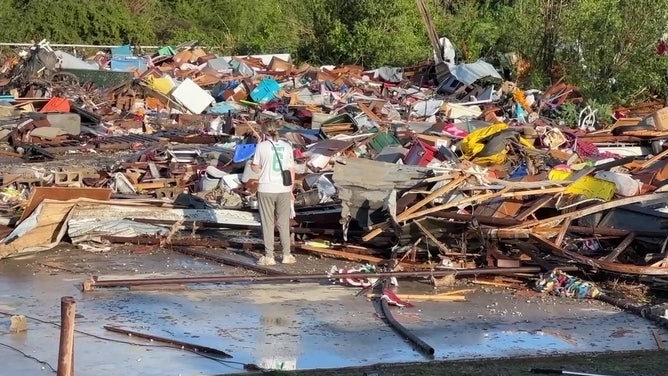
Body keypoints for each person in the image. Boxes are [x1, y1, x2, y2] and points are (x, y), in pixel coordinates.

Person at [251, 120, 296, 266]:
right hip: (283, 188)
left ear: (264, 132)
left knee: (268, 223)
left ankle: (269, 256)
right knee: (283, 223)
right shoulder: (287, 146)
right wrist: (291, 189)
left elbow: (256, 168)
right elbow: (291, 170)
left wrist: (255, 166)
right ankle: (287, 255)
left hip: (266, 188)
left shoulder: (261, 146)